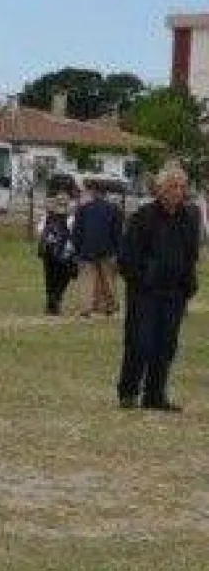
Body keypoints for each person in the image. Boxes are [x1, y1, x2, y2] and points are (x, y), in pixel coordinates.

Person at [115, 164, 199, 411]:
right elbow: (127, 259)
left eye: (182, 187)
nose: (178, 191)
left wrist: (188, 285)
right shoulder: (143, 217)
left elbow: (191, 254)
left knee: (166, 346)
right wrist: (143, 279)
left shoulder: (189, 218)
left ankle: (154, 395)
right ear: (160, 189)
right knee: (140, 343)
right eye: (173, 186)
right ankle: (128, 392)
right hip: (146, 294)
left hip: (175, 294)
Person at [73, 181, 123, 316]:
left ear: (93, 193)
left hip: (86, 248)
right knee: (108, 280)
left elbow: (77, 231)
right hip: (108, 249)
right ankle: (110, 306)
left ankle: (86, 308)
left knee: (86, 280)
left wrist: (77, 249)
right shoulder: (114, 209)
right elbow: (117, 233)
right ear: (105, 194)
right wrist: (119, 251)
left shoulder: (83, 209)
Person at [36, 186, 78, 315]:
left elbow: (40, 230)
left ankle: (52, 302)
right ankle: (55, 301)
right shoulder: (70, 217)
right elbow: (74, 234)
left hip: (50, 251)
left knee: (52, 277)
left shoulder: (48, 216)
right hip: (61, 251)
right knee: (61, 277)